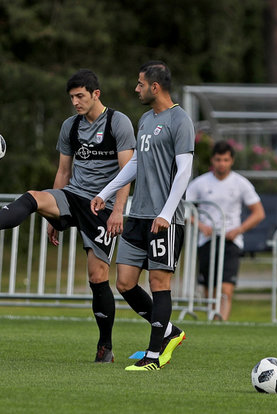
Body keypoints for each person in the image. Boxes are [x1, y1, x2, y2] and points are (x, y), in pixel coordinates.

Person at [0, 69, 136, 363]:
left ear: (97, 94)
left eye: (80, 96)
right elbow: (63, 172)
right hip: (73, 195)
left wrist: (118, 210)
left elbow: (127, 172)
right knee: (34, 196)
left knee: (97, 277)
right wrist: (51, 217)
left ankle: (105, 346)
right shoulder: (70, 126)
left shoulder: (118, 123)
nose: (75, 102)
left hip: (103, 207)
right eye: (72, 97)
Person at [90, 61, 194, 371]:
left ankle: (154, 355)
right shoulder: (146, 119)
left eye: (140, 84)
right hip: (138, 216)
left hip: (164, 219)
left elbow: (185, 170)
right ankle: (170, 331)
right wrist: (105, 193)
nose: (136, 89)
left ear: (155, 87)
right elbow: (135, 163)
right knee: (124, 283)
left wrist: (166, 212)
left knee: (159, 283)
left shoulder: (180, 120)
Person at [186, 141, 265, 321]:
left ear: (232, 161)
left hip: (231, 241)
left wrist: (239, 230)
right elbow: (183, 209)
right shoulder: (200, 183)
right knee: (209, 286)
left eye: (225, 160)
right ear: (213, 160)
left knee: (226, 288)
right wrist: (200, 225)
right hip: (207, 240)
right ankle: (212, 319)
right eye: (218, 159)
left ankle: (221, 322)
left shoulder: (240, 183)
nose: (222, 163)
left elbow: (258, 213)